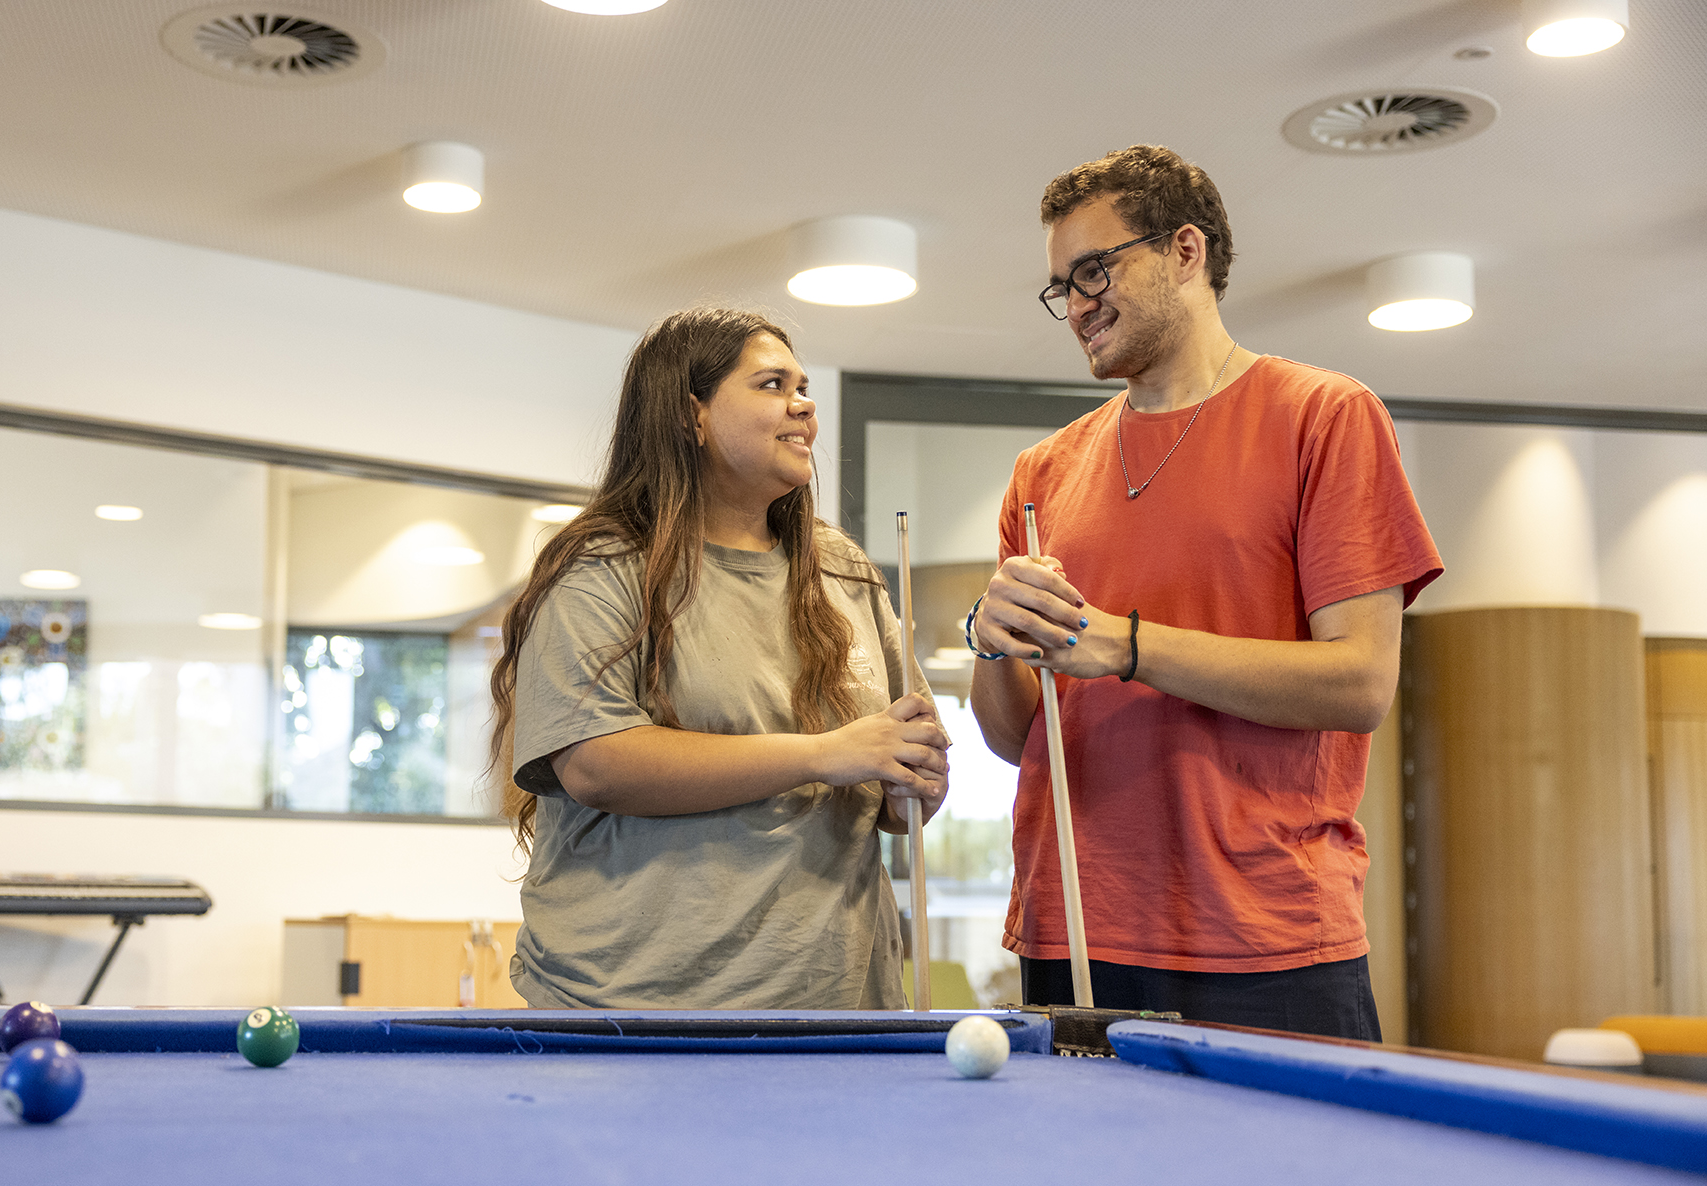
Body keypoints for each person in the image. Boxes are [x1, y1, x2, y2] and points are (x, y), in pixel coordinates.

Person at [969, 145, 1442, 1039]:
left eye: (1094, 269)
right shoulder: (1042, 470)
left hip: (1265, 939)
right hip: (1071, 926)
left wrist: (1132, 647)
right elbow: (1012, 737)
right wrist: (991, 644)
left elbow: (1359, 683)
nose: (1074, 305)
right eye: (1059, 286)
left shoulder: (1325, 416)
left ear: (1185, 250)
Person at [491, 307, 949, 1009]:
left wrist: (911, 779)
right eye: (771, 384)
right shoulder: (602, 567)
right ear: (690, 415)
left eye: (804, 388)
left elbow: (894, 783)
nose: (803, 405)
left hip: (836, 1010)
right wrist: (824, 752)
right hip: (636, 1011)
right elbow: (594, 763)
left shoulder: (843, 569)